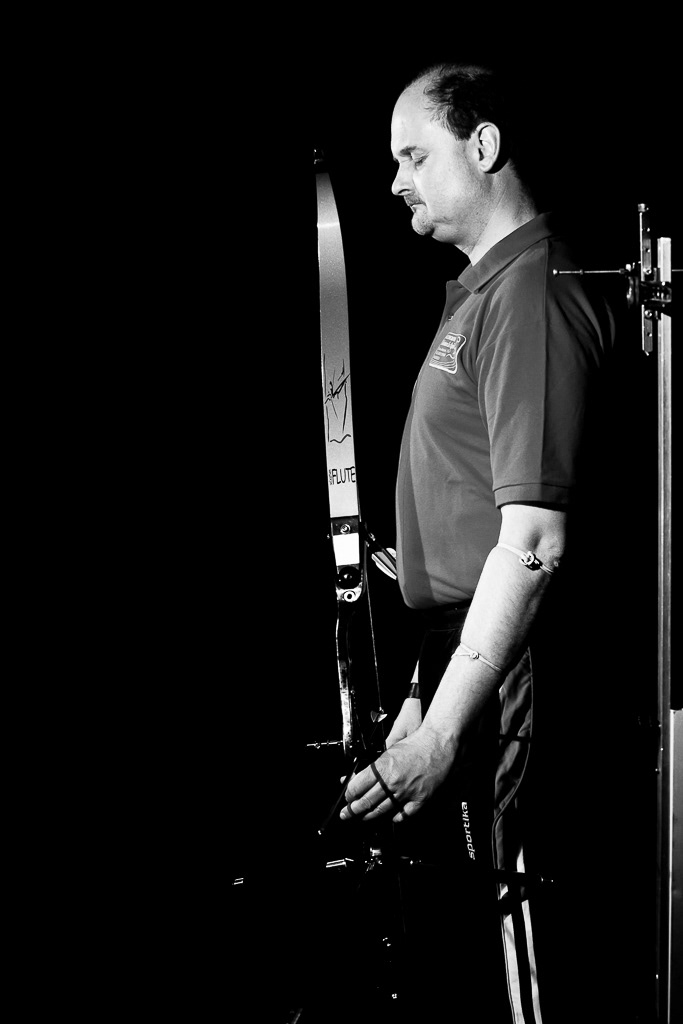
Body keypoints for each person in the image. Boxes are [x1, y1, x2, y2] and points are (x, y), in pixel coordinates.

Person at [339, 62, 625, 1023]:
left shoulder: (530, 292)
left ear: (484, 145)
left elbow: (534, 543)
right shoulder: (481, 291)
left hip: (522, 665)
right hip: (468, 655)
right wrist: (424, 700)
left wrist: (444, 731)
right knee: (477, 958)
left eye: (413, 156)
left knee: (531, 947)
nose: (395, 182)